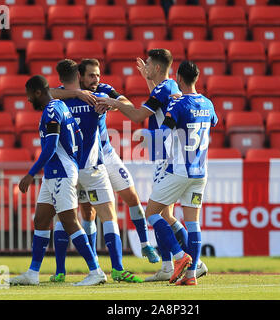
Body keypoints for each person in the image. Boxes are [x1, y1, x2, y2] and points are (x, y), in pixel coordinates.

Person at [96, 49, 208, 281]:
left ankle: (178, 262)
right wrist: (148, 79)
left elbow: (138, 116)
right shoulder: (167, 88)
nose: (144, 66)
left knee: (158, 213)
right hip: (170, 156)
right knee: (167, 215)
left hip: (168, 157)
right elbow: (156, 106)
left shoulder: (166, 87)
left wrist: (111, 101)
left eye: (148, 64)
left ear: (157, 67)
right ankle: (183, 264)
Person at [7, 75, 107, 286]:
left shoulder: (51, 111)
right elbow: (79, 136)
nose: (27, 100)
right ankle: (33, 273)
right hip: (54, 174)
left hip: (60, 173)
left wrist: (30, 174)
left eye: (28, 95)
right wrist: (75, 161)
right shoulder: (61, 106)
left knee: (70, 221)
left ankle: (96, 271)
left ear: (37, 93)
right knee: (41, 220)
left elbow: (50, 147)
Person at [50, 59, 144, 283]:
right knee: (95, 216)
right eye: (91, 76)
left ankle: (67, 270)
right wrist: (84, 96)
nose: (96, 80)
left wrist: (113, 103)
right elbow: (50, 92)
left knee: (68, 217)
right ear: (80, 77)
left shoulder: (93, 94)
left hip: (76, 169)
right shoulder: (82, 97)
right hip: (88, 168)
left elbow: (48, 93)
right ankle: (112, 269)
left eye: (98, 75)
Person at [144, 60, 217, 286]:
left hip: (179, 170)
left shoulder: (177, 105)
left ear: (179, 78)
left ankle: (178, 256)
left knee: (152, 213)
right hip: (200, 173)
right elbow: (212, 121)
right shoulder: (208, 103)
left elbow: (163, 133)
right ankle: (191, 274)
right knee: (193, 223)